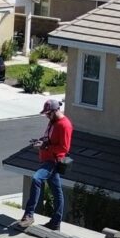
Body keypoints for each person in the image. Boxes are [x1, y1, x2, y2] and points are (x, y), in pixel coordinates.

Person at [18, 98, 71, 230]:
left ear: (55, 111)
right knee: (57, 192)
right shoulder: (53, 122)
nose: (46, 116)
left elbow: (64, 148)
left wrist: (46, 147)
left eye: (48, 113)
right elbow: (50, 139)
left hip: (53, 161)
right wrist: (41, 141)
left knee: (36, 179)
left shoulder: (64, 125)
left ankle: (29, 215)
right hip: (47, 159)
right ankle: (56, 222)